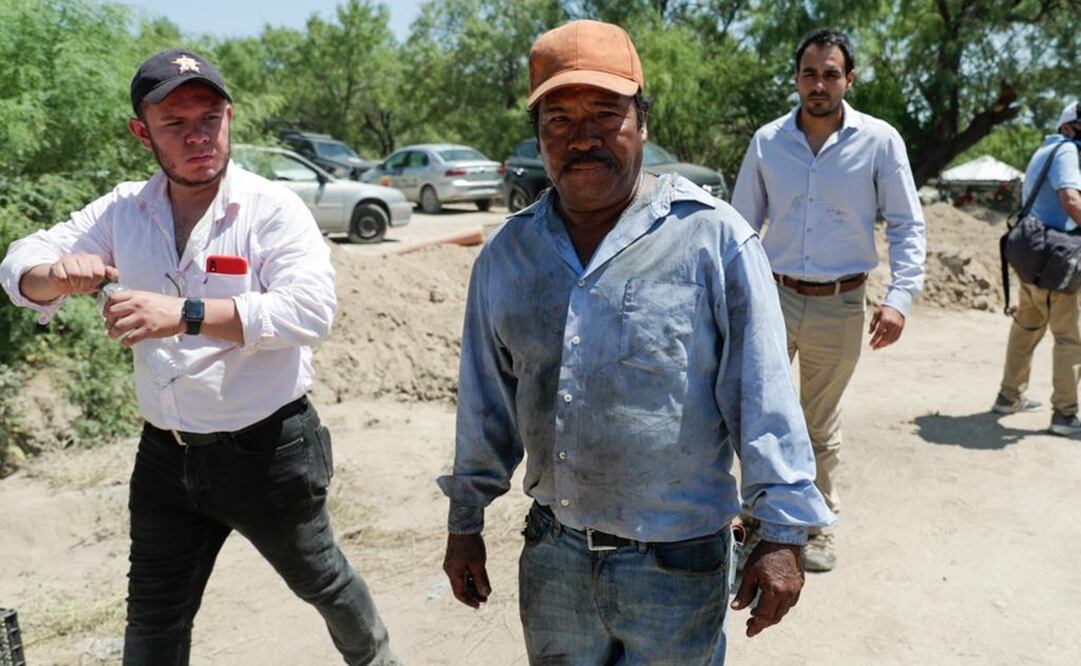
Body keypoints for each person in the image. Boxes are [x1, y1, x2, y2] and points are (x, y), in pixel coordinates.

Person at [437, 19, 833, 664]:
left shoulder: (713, 240)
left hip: (678, 566)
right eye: (558, 119)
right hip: (553, 558)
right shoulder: (508, 256)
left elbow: (762, 395)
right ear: (538, 137)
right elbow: (485, 407)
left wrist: (784, 534)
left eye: (605, 112)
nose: (583, 137)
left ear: (642, 123)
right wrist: (465, 523)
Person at [0, 49, 396, 665]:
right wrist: (54, 273)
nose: (198, 137)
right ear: (141, 133)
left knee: (322, 582)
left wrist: (182, 313)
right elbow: (18, 265)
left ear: (229, 117)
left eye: (209, 118)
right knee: (154, 620)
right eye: (176, 125)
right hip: (166, 456)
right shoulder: (122, 211)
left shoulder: (272, 209)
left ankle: (379, 660)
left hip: (268, 450)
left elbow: (311, 311)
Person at [731, 28, 926, 572]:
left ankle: (816, 525)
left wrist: (900, 297)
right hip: (772, 297)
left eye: (831, 74)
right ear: (796, 79)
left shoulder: (880, 141)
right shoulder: (768, 142)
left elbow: (908, 224)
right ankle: (754, 519)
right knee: (757, 413)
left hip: (841, 303)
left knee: (818, 422)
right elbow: (742, 226)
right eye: (810, 73)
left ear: (850, 79)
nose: (819, 84)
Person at [993, 102, 1081, 434]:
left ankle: (1009, 396)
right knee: (1070, 338)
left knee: (1027, 327)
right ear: (1069, 126)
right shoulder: (1067, 151)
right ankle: (1065, 415)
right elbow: (1071, 200)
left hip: (1030, 254)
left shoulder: (1044, 150)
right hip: (1054, 260)